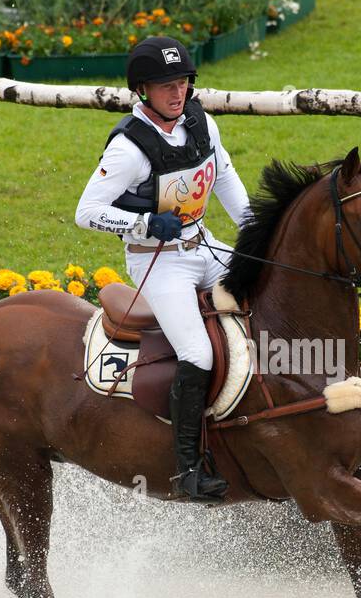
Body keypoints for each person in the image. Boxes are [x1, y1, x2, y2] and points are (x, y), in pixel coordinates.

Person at [75, 35, 252, 502]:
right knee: (198, 352)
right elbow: (87, 211)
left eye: (183, 83)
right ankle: (188, 470)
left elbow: (225, 177)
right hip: (159, 263)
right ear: (142, 91)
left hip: (204, 245)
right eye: (164, 86)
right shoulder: (128, 149)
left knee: (265, 291)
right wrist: (145, 224)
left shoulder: (201, 122)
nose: (177, 93)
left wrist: (254, 236)